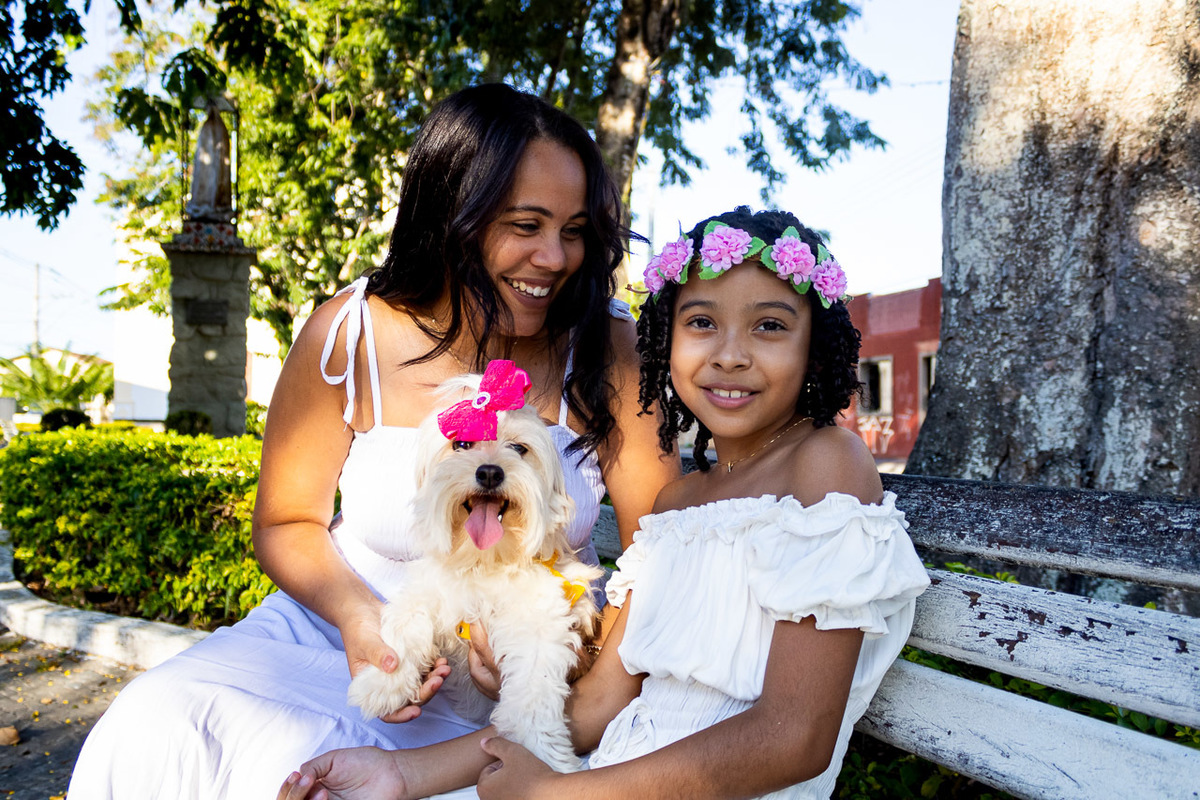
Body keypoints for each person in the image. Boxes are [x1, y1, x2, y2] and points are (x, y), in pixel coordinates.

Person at [67, 84, 679, 800]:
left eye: (573, 231)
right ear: (452, 214)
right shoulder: (348, 333)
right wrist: (361, 618)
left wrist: (583, 657)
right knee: (160, 723)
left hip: (526, 674)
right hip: (331, 643)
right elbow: (286, 521)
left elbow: (662, 550)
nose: (554, 257)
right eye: (526, 225)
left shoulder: (608, 347)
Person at [276, 207, 931, 800]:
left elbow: (795, 739)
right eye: (702, 322)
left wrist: (559, 796)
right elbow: (592, 708)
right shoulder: (677, 504)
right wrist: (403, 774)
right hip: (604, 771)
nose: (731, 355)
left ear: (814, 347)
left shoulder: (827, 464)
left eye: (769, 326)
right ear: (666, 342)